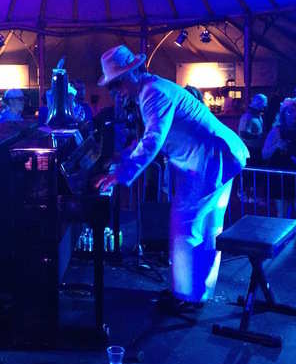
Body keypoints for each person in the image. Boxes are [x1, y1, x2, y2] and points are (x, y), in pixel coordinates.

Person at [95, 45, 248, 310]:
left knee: (186, 226)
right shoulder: (155, 88)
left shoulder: (153, 93)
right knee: (208, 228)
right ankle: (197, 291)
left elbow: (154, 139)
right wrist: (123, 157)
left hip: (207, 162)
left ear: (131, 74)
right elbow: (152, 137)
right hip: (218, 157)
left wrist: (121, 173)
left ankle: (187, 296)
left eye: (117, 83)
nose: (117, 91)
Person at [262, 97, 296, 233]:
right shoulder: (277, 130)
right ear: (283, 113)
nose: (294, 115)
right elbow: (264, 154)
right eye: (290, 112)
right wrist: (277, 145)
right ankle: (281, 249)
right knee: (282, 217)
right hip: (281, 177)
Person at [238, 93, 268, 202]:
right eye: (264, 104)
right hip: (249, 150)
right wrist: (259, 136)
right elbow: (243, 133)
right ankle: (244, 195)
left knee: (255, 174)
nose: (265, 107)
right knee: (248, 174)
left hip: (256, 150)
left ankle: (252, 195)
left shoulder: (258, 116)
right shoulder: (247, 117)